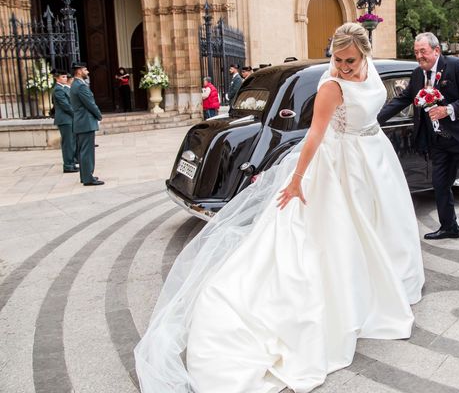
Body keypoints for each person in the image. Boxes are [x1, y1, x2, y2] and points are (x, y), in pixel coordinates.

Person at [135, 23, 425, 393]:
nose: (344, 67)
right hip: (340, 165)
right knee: (338, 233)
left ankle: (380, 282)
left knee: (381, 224)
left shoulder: (369, 73)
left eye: (350, 60)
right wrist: (296, 179)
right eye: (337, 59)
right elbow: (315, 136)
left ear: (365, 54)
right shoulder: (331, 86)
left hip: (374, 157)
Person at [378, 32, 459, 256]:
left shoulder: (455, 66)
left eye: (423, 51)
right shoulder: (417, 74)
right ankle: (449, 226)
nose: (419, 56)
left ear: (436, 51)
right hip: (438, 142)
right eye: (416, 52)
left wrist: (448, 110)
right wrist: (374, 120)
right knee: (440, 185)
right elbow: (404, 99)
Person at [70, 62, 104, 186]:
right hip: (85, 122)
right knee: (87, 151)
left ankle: (85, 176)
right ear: (79, 71)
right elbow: (90, 103)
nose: (88, 72)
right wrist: (99, 115)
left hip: (81, 122)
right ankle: (88, 178)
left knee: (83, 151)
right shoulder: (80, 86)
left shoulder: (76, 84)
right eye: (85, 69)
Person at [51, 69, 78, 173]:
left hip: (69, 118)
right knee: (68, 143)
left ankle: (71, 163)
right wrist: (75, 114)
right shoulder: (58, 89)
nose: (65, 78)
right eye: (63, 77)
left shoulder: (64, 88)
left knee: (71, 142)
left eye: (66, 77)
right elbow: (65, 105)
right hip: (64, 119)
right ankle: (67, 165)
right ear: (56, 78)